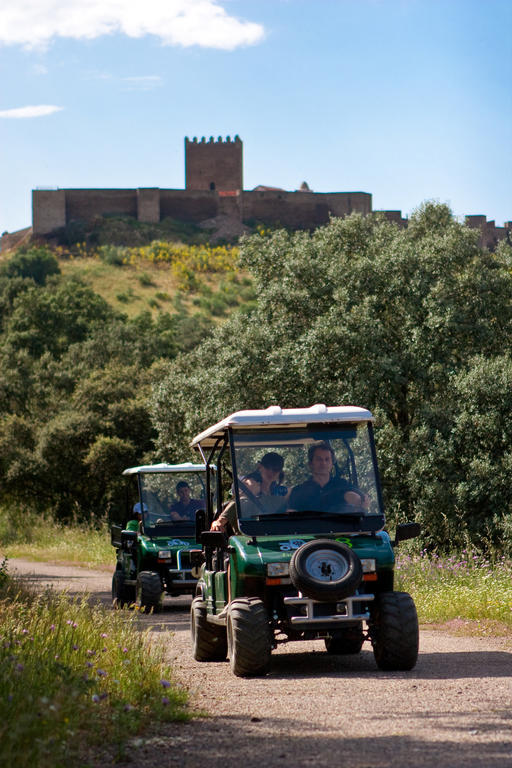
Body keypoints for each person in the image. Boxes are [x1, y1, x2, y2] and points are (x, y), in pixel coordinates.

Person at [211, 452, 287, 533]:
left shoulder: (279, 500)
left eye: (276, 469)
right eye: (268, 467)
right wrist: (217, 523)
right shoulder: (243, 502)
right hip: (249, 541)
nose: (271, 472)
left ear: (280, 472)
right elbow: (219, 522)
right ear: (260, 467)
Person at [287, 441, 369, 514]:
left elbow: (358, 500)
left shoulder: (343, 486)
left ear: (332, 463)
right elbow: (292, 518)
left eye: (327, 459)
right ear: (310, 464)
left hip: (341, 530)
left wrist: (360, 501)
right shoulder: (299, 491)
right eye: (319, 459)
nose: (323, 463)